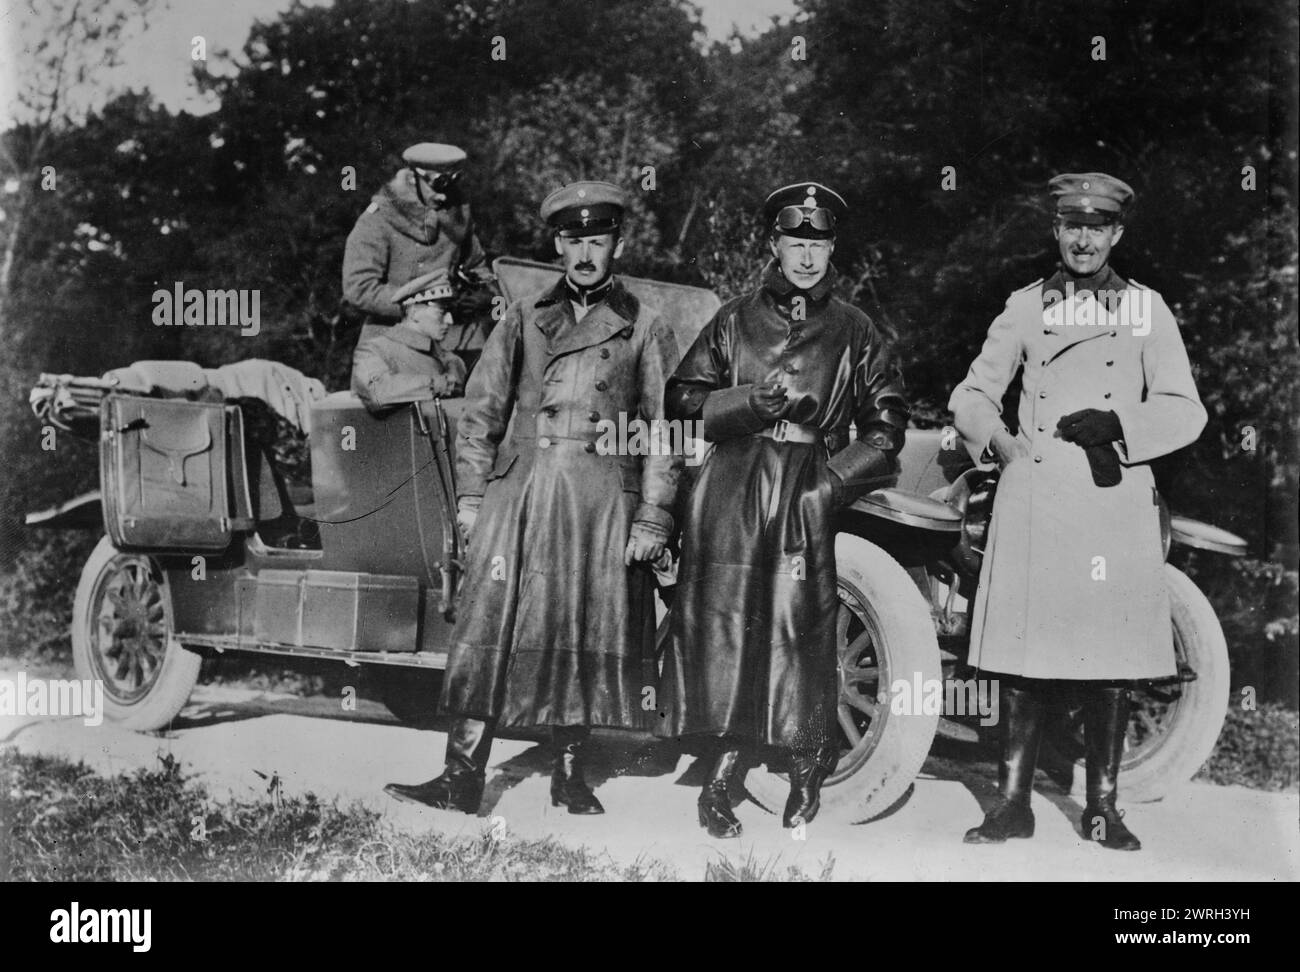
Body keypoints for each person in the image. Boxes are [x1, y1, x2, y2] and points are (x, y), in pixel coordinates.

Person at [383, 181, 681, 815]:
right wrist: (470, 499)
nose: (583, 255)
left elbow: (663, 431)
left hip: (599, 501)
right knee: (487, 630)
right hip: (518, 496)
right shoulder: (521, 316)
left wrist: (653, 514)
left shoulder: (646, 327)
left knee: (579, 630)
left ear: (616, 246)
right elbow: (482, 414)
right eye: (572, 242)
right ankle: (461, 778)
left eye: (596, 242)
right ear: (557, 245)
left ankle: (570, 778)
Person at [949, 172, 1207, 851]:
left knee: (1111, 661)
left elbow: (1186, 410)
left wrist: (1119, 424)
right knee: (1024, 657)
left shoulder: (1148, 310)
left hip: (1111, 499)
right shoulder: (1026, 306)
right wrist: (1002, 443)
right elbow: (973, 394)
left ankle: (1103, 808)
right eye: (1072, 225)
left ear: (1116, 233)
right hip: (1037, 500)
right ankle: (1011, 805)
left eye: (1097, 227)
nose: (1084, 238)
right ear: (1057, 230)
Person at [659, 182, 909, 838]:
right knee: (728, 634)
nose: (806, 255)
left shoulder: (857, 330)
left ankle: (805, 772)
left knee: (801, 633)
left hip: (807, 488)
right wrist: (744, 403)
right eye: (795, 241)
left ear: (832, 247)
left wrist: (829, 487)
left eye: (818, 243)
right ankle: (720, 777)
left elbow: (887, 429)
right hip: (730, 492)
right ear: (774, 243)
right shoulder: (735, 319)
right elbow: (681, 398)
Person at [342, 142, 486, 346]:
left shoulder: (457, 216)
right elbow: (359, 288)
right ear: (412, 178)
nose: (444, 194)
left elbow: (479, 268)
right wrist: (419, 305)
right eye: (438, 183)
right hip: (392, 339)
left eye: (452, 183)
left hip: (452, 337)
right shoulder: (379, 219)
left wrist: (480, 296)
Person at [350, 269, 467, 413]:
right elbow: (378, 392)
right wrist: (440, 385)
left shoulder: (451, 360)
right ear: (414, 312)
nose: (449, 320)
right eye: (441, 312)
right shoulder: (373, 351)